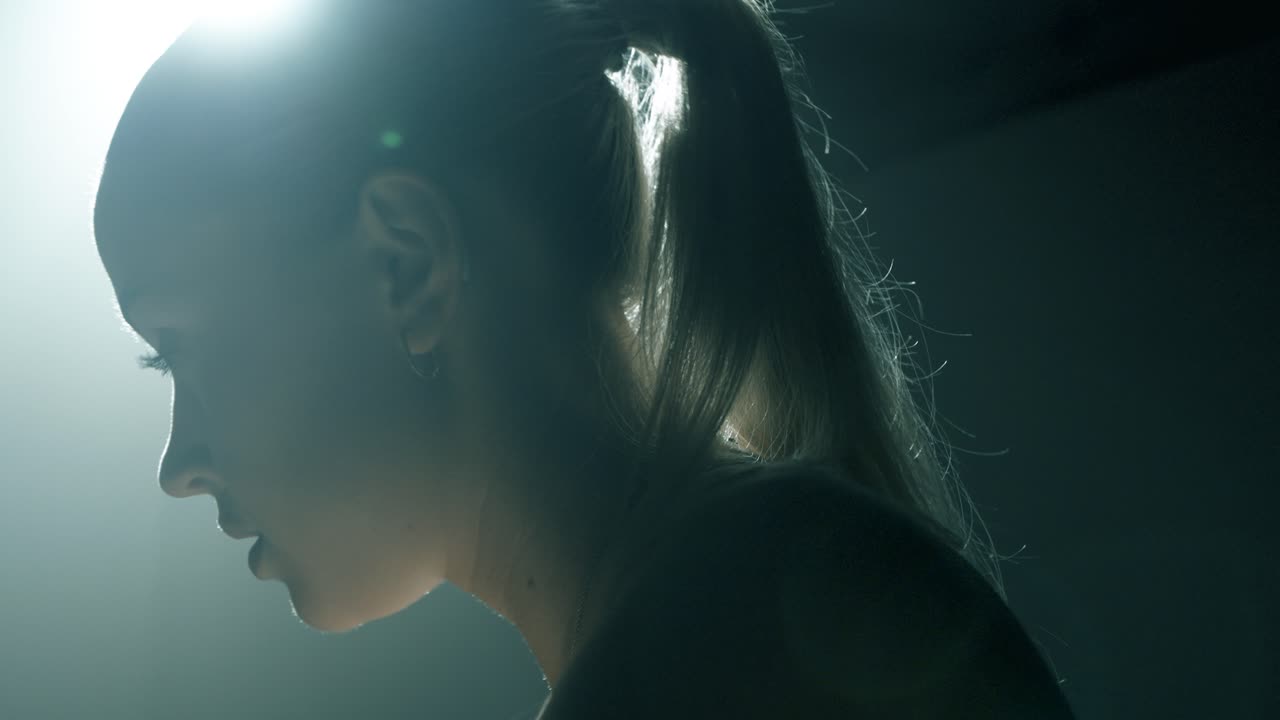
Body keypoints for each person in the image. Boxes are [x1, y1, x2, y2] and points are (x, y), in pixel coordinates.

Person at [94, 1, 1076, 716]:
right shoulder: (752, 594)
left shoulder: (707, 658)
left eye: (179, 349)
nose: (178, 468)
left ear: (406, 264)